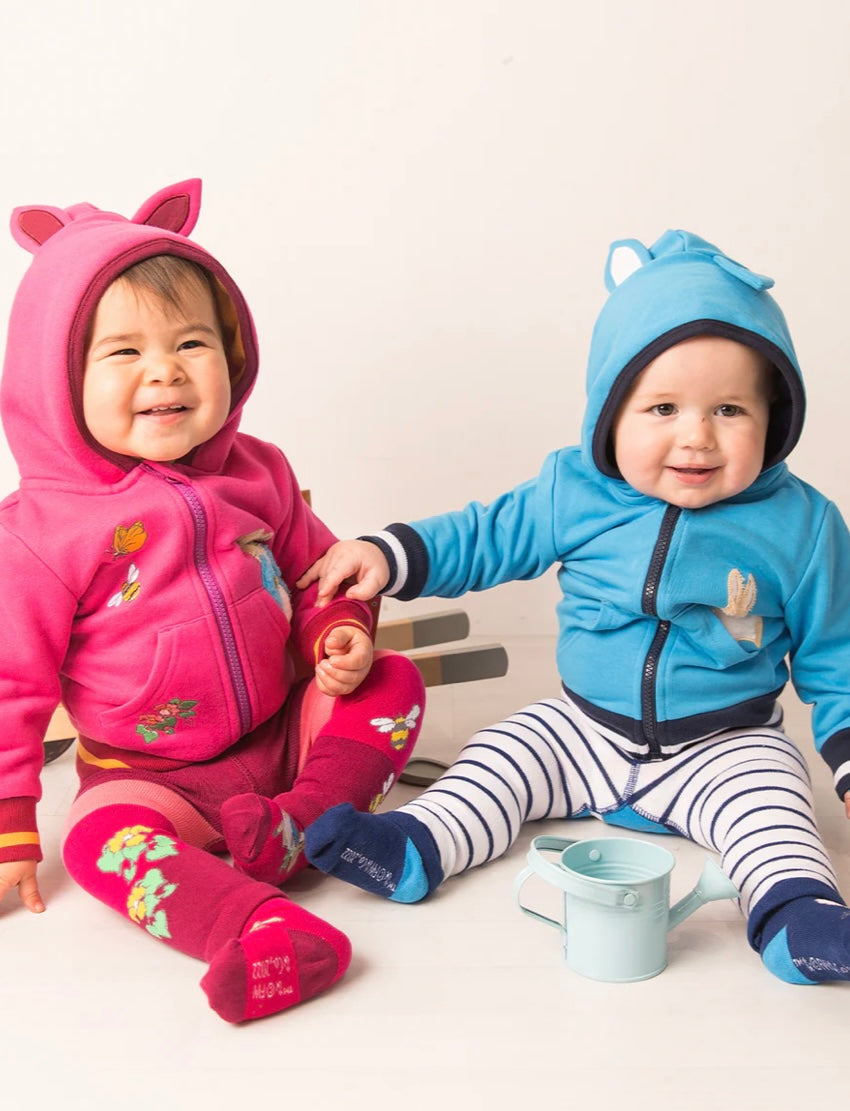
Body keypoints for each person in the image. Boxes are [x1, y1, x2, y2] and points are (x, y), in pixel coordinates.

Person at [298, 229, 850, 986]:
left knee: (776, 807)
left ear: (775, 415)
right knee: (499, 756)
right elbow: (485, 536)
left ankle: (798, 917)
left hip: (725, 744)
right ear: (610, 414)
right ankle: (414, 846)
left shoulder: (803, 526)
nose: (696, 436)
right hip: (582, 729)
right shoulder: (576, 491)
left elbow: (836, 655)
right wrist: (389, 556)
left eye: (729, 408)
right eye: (662, 407)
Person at [0, 180, 425, 1022]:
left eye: (192, 342)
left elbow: (323, 573)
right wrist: (13, 819)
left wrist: (340, 631)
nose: (165, 369)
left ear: (231, 357)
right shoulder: (39, 534)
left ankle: (303, 821)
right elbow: (11, 683)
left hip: (284, 736)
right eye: (122, 353)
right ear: (53, 378)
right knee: (96, 845)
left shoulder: (256, 471)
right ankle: (258, 925)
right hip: (150, 777)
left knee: (392, 684)